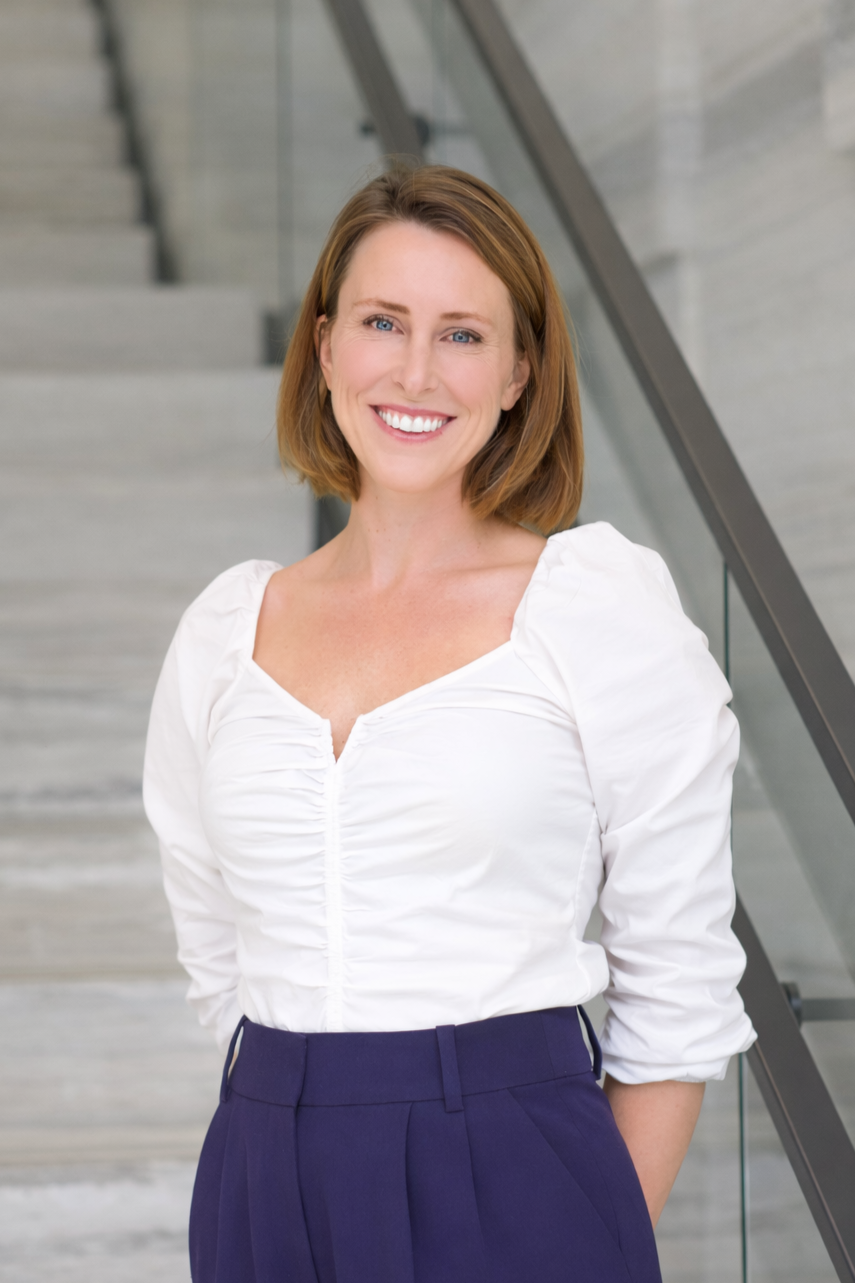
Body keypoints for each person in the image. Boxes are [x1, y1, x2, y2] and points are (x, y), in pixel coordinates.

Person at [143, 165, 755, 1283]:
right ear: (325, 346)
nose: (415, 370)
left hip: (516, 1169)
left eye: (464, 334)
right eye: (384, 321)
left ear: (522, 370)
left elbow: (678, 993)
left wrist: (585, 1236)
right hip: (263, 1165)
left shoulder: (595, 609)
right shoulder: (226, 632)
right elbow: (219, 952)